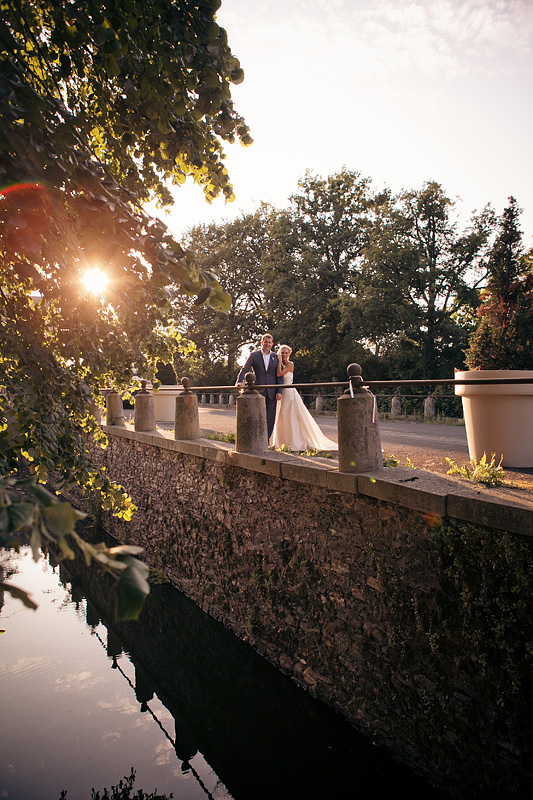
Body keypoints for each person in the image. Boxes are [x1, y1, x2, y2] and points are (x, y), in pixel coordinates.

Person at [271, 345, 338, 452]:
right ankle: (282, 442)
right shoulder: (278, 364)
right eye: (282, 353)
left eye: (286, 353)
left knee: (290, 416)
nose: (284, 355)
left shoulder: (290, 364)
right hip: (280, 393)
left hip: (288, 392)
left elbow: (279, 374)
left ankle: (293, 442)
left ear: (289, 354)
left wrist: (278, 361)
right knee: (281, 417)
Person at [235, 333, 283, 439]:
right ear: (262, 342)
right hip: (258, 391)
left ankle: (266, 440)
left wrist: (279, 391)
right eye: (265, 342)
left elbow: (279, 375)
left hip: (272, 392)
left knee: (270, 418)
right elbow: (245, 369)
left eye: (269, 342)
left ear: (272, 344)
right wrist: (240, 381)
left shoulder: (275, 357)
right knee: (257, 416)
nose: (267, 344)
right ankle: (256, 438)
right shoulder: (254, 355)